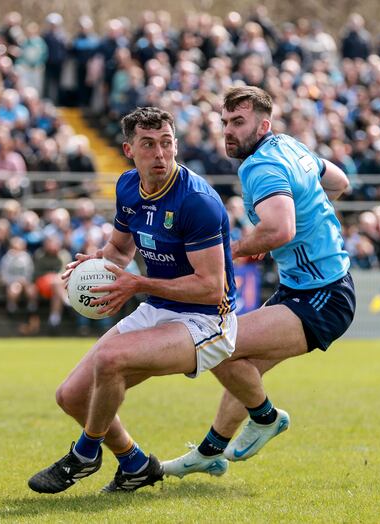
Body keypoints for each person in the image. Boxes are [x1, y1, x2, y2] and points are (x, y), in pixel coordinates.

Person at [27, 107, 240, 494]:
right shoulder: (127, 186)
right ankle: (136, 464)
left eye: (166, 143)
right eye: (148, 145)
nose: (160, 154)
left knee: (111, 360)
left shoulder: (198, 202)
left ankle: (85, 452)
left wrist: (138, 284)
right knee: (71, 396)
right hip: (159, 308)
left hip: (208, 322)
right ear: (129, 149)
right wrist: (97, 262)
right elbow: (120, 250)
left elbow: (211, 288)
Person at [162, 86, 355, 478]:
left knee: (218, 344)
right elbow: (339, 182)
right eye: (225, 123)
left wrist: (233, 250)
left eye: (238, 122)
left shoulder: (258, 167)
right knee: (243, 364)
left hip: (322, 296)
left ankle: (266, 418)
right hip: (310, 287)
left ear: (263, 124)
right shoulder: (290, 146)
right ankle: (210, 451)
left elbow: (280, 228)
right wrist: (302, 224)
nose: (228, 131)